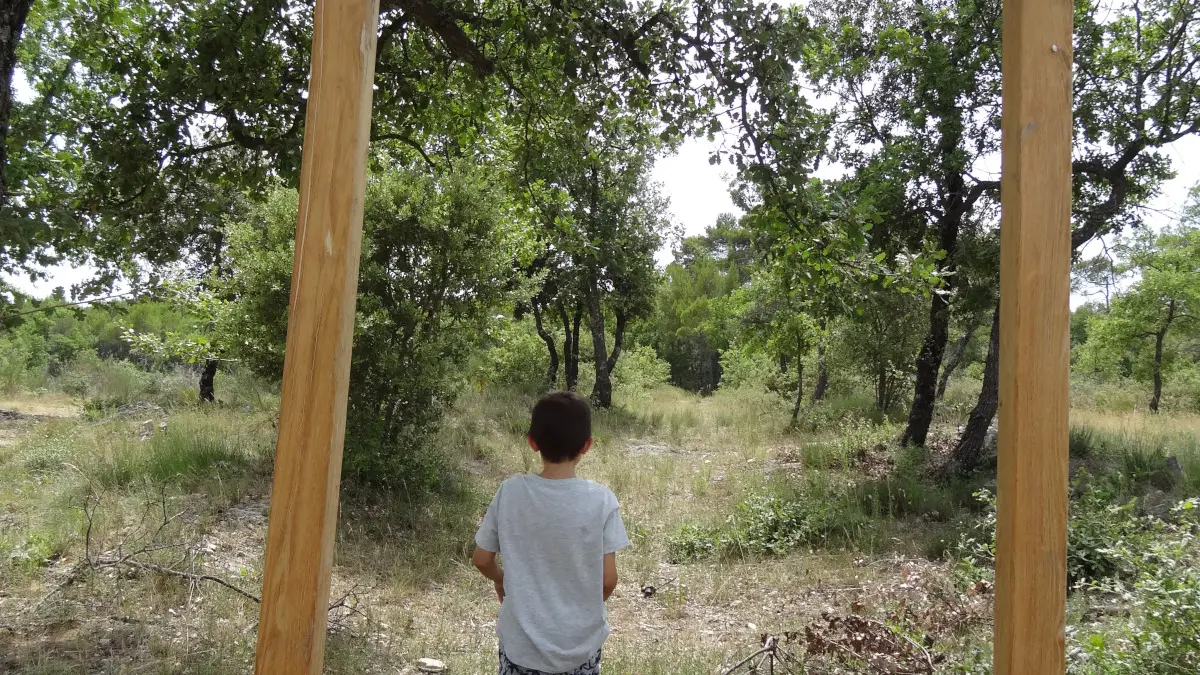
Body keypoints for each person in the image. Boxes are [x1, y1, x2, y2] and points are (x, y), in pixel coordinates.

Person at [472, 391, 630, 675]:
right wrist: (581, 607)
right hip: (579, 648)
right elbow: (608, 580)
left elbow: (482, 559)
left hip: (521, 648)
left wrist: (501, 580)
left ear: (532, 442)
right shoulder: (602, 500)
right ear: (587, 446)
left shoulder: (510, 492)